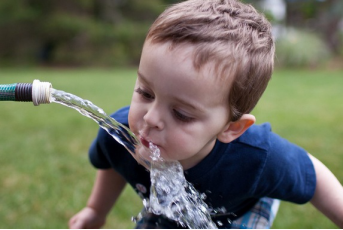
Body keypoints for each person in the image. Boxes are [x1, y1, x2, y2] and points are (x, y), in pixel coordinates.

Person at [68, 0, 343, 229]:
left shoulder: (257, 158)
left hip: (243, 208)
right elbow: (114, 161)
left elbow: (313, 176)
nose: (150, 119)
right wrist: (96, 210)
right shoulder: (119, 134)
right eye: (146, 93)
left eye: (181, 114)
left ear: (231, 128)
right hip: (172, 207)